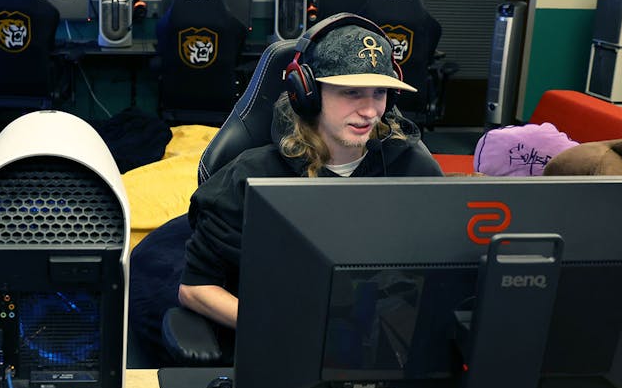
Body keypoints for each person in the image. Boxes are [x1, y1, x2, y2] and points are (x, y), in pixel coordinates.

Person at [178, 18, 444, 330]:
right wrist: (281, 329)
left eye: (379, 92)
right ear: (307, 92)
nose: (370, 111)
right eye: (352, 92)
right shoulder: (251, 177)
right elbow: (195, 288)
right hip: (281, 337)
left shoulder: (415, 170)